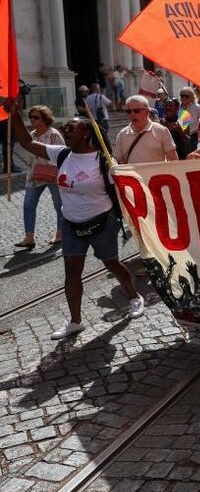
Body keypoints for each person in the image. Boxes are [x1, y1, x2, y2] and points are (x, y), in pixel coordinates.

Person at [5, 100, 144, 339]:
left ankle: (134, 296)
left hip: (101, 223)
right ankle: (75, 321)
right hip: (71, 224)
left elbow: (125, 193)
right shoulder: (61, 154)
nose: (66, 131)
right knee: (71, 269)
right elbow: (27, 142)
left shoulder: (104, 161)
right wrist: (14, 114)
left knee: (111, 263)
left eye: (71, 128)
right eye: (65, 128)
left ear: (86, 133)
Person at [15, 106, 64, 249]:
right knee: (28, 205)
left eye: (36, 117)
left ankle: (60, 232)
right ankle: (29, 237)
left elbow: (62, 155)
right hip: (35, 175)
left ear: (45, 119)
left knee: (59, 205)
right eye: (30, 117)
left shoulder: (54, 135)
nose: (32, 120)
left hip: (53, 175)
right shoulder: (31, 135)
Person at [114, 95, 179, 165]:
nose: (132, 114)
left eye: (136, 111)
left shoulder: (161, 131)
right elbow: (118, 161)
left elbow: (173, 160)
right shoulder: (122, 134)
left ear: (147, 112)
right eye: (129, 111)